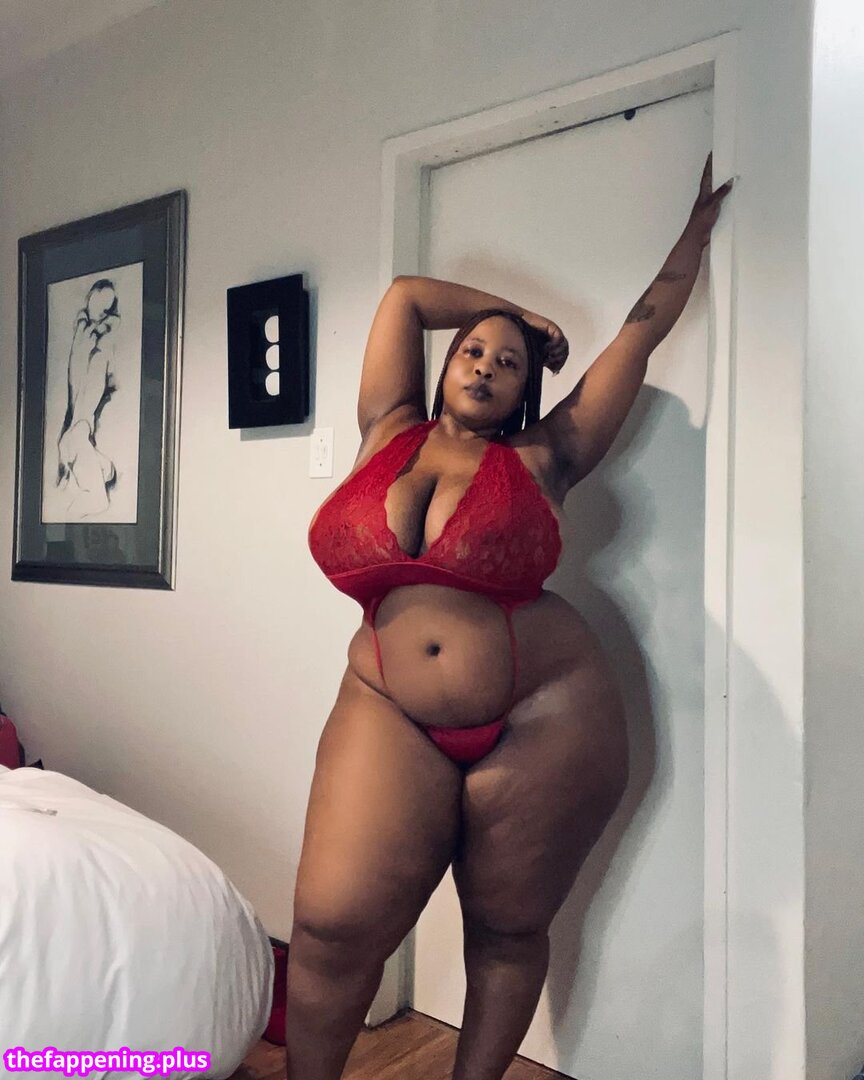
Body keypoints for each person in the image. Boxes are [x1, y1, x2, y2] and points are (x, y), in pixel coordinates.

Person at [289, 153, 734, 1079]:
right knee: (332, 927)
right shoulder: (386, 427)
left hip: (546, 714)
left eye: (508, 362)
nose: (487, 365)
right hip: (387, 703)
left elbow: (640, 333)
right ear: (446, 365)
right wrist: (519, 315)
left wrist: (692, 240)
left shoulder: (546, 455)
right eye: (474, 351)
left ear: (525, 388)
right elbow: (407, 297)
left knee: (505, 928)